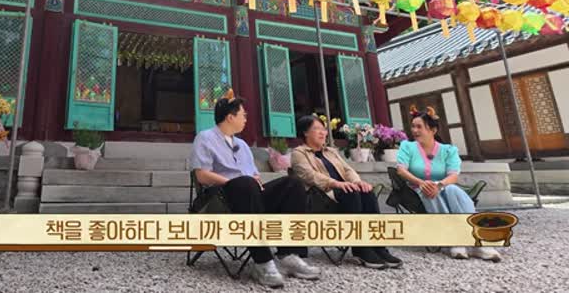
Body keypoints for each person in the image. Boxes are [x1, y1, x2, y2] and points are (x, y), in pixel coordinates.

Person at [190, 91, 320, 287]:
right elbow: (201, 174)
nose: (246, 119)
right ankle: (262, 262)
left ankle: (289, 255)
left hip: (250, 196)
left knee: (292, 184)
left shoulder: (242, 144)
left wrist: (254, 180)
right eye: (243, 115)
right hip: (220, 199)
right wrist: (235, 182)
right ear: (230, 117)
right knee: (244, 183)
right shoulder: (205, 138)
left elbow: (254, 175)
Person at [291, 115, 402, 269]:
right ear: (305, 132)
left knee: (366, 191)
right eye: (317, 129)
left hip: (344, 191)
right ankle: (361, 248)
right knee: (351, 193)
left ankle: (379, 247)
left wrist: (358, 182)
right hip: (322, 197)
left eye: (323, 129)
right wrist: (336, 183)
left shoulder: (331, 151)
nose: (322, 133)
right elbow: (309, 175)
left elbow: (348, 169)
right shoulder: (299, 153)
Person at [396, 106, 502, 262]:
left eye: (419, 127)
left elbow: (453, 176)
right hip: (417, 189)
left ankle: (476, 242)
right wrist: (421, 183)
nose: (414, 130)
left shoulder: (448, 150)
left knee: (452, 189)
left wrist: (439, 185)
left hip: (443, 187)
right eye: (413, 126)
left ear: (433, 130)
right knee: (429, 193)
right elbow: (401, 170)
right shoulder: (407, 147)